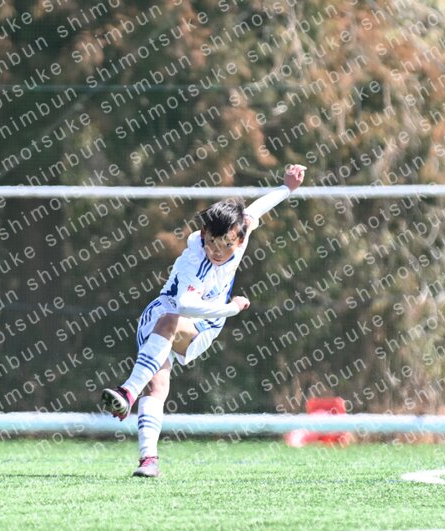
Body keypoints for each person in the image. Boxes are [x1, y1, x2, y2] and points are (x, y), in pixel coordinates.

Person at [101, 164, 307, 477]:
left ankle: (128, 392)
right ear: (204, 235)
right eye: (211, 241)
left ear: (239, 239)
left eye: (225, 244)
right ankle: (148, 457)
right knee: (157, 386)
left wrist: (287, 188)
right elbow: (186, 305)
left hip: (202, 327)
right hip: (163, 317)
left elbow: (256, 209)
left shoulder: (241, 230)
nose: (216, 250)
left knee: (167, 338)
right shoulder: (194, 259)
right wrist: (231, 309)